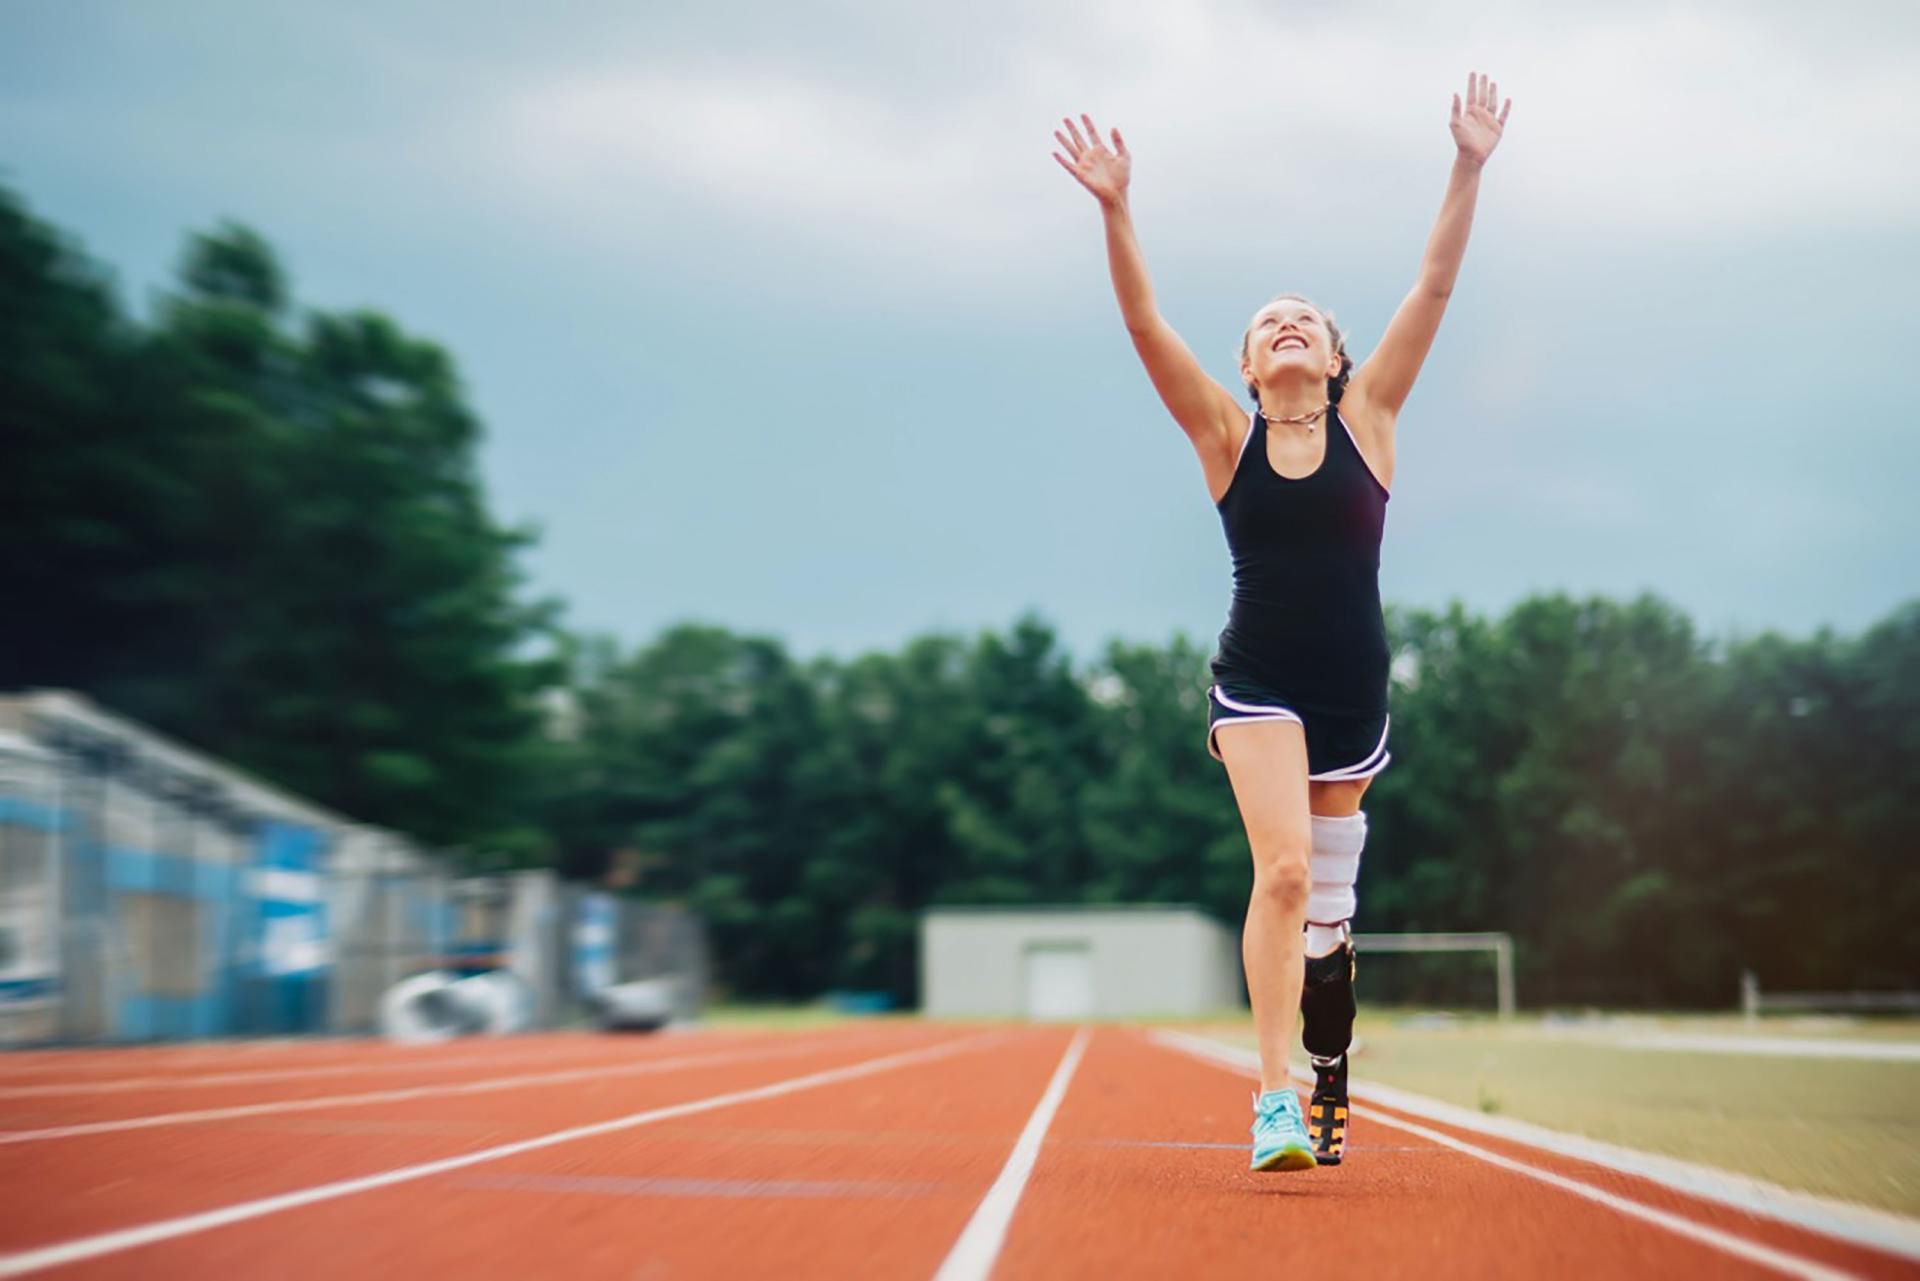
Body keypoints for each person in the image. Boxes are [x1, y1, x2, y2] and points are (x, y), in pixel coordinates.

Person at [1053, 71, 1511, 1171]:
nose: (1286, 325)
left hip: (1353, 684)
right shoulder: (1223, 434)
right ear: (1250, 368)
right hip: (1256, 676)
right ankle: (1272, 1101)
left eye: (1305, 317)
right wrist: (1117, 209)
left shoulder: (1374, 420)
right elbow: (1141, 320)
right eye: (1267, 323)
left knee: (1331, 908)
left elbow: (1435, 289)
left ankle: (1330, 1028)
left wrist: (1467, 165)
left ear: (1337, 357)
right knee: (1288, 872)